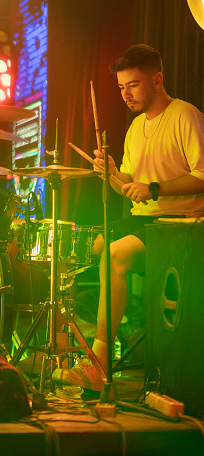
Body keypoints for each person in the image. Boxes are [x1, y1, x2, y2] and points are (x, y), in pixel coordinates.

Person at [53, 44, 204, 390]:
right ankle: (64, 345)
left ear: (157, 79)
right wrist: (110, 174)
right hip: (146, 219)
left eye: (132, 85)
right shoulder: (136, 127)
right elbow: (130, 186)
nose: (125, 94)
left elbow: (202, 175)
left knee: (115, 255)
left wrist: (153, 189)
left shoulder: (185, 116)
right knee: (82, 249)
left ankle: (100, 362)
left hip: (181, 224)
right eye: (121, 87)